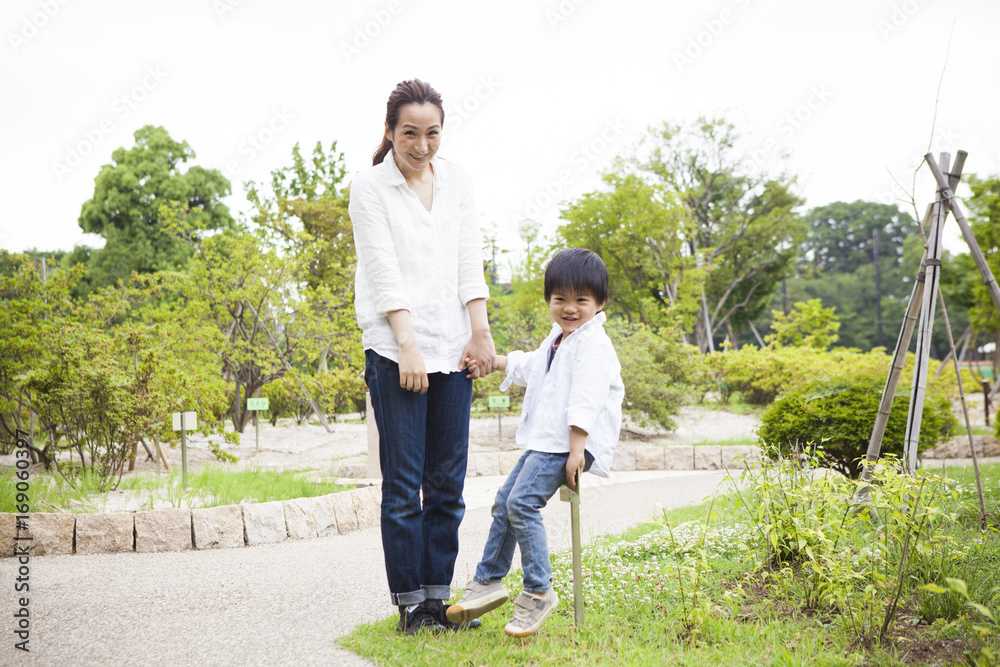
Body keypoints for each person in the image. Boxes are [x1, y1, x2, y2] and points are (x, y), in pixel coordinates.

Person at [349, 78, 496, 635]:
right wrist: (407, 346)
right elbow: (383, 271)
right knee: (403, 484)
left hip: (454, 348)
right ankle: (411, 605)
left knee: (448, 484)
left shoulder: (457, 181)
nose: (422, 144)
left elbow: (469, 258)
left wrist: (480, 331)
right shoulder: (370, 187)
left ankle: (439, 601)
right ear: (389, 132)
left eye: (432, 133)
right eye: (409, 133)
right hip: (396, 350)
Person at [450, 247, 625, 637]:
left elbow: (587, 397)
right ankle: (488, 581)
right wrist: (496, 362)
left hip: (570, 444)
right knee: (504, 501)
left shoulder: (593, 343)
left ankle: (539, 590)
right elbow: (532, 366)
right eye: (560, 298)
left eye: (581, 300)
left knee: (521, 502)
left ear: (599, 303)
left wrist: (578, 450)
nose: (569, 308)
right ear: (549, 300)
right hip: (550, 442)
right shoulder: (559, 339)